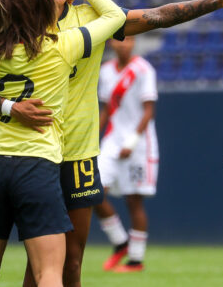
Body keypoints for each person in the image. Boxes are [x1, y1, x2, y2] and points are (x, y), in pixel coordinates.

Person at [0, 0, 223, 285]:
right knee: (41, 265)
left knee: (69, 263)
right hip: (27, 152)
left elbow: (157, 16)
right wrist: (13, 109)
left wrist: (216, 2)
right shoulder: (12, 22)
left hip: (76, 151)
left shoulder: (90, 18)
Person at [0, 0, 126, 287]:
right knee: (49, 273)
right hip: (36, 166)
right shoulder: (62, 47)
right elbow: (116, 16)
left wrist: (0, 24)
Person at [93, 36, 157, 273]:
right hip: (112, 140)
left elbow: (149, 110)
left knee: (134, 201)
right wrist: (93, 137)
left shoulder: (143, 69)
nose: (123, 44)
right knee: (93, 191)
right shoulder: (106, 71)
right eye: (119, 40)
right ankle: (120, 242)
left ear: (134, 43)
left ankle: (135, 260)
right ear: (112, 43)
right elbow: (106, 109)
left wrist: (132, 140)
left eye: (128, 40)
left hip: (139, 144)